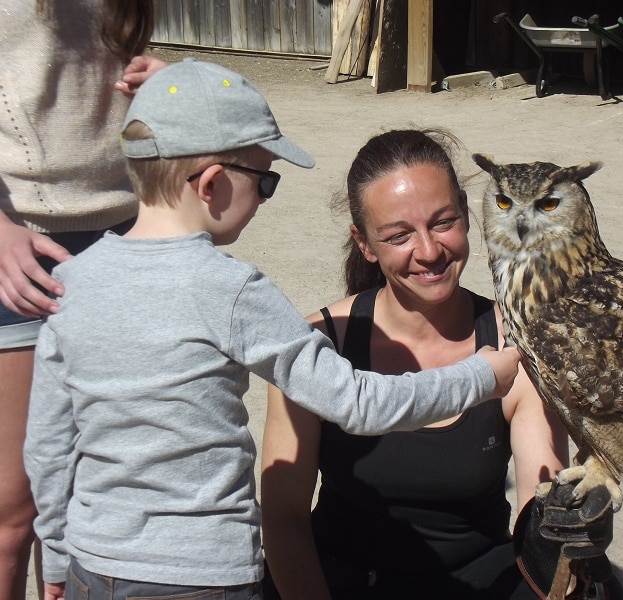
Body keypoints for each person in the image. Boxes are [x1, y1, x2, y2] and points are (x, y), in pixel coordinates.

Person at [22, 59, 521, 600]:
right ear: (212, 184)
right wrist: (479, 377)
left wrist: (54, 553)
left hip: (92, 565)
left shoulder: (70, 283)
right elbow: (357, 403)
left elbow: (49, 444)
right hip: (203, 575)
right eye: (265, 182)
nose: (263, 198)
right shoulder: (233, 291)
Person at [261, 128, 579, 599]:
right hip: (341, 582)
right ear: (365, 243)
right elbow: (284, 518)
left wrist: (563, 533)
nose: (429, 251)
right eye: (398, 235)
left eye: (443, 221)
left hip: (478, 581)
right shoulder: (319, 345)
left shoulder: (519, 345)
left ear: (469, 216)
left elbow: (539, 504)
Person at [0, 2, 165, 598]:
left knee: (109, 483)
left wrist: (165, 86)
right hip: (20, 245)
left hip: (126, 235)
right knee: (14, 515)